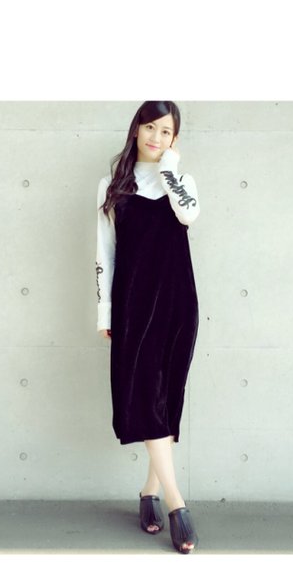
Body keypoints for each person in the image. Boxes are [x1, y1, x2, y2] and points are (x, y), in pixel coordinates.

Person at [95, 101, 200, 554]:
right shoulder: (112, 185)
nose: (156, 137)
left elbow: (188, 214)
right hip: (134, 305)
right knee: (146, 396)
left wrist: (169, 168)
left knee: (167, 396)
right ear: (136, 129)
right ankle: (176, 503)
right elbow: (105, 251)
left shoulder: (180, 181)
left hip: (178, 301)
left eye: (166, 131)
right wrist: (105, 312)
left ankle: (148, 492)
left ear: (174, 139)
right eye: (150, 127)